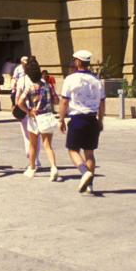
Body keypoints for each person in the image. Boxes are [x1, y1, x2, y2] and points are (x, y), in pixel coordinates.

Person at [58, 49, 106, 194]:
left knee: (73, 149)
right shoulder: (97, 80)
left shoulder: (70, 79)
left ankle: (84, 172)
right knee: (89, 153)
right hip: (92, 119)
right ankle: (90, 186)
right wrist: (100, 120)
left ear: (77, 62)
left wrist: (61, 119)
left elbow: (64, 102)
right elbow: (102, 103)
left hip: (77, 118)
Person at [17, 60, 60, 181]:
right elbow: (56, 100)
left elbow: (19, 102)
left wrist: (28, 111)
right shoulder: (48, 85)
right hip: (47, 116)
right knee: (48, 145)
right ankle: (53, 167)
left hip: (35, 118)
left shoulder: (30, 87)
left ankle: (32, 168)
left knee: (33, 144)